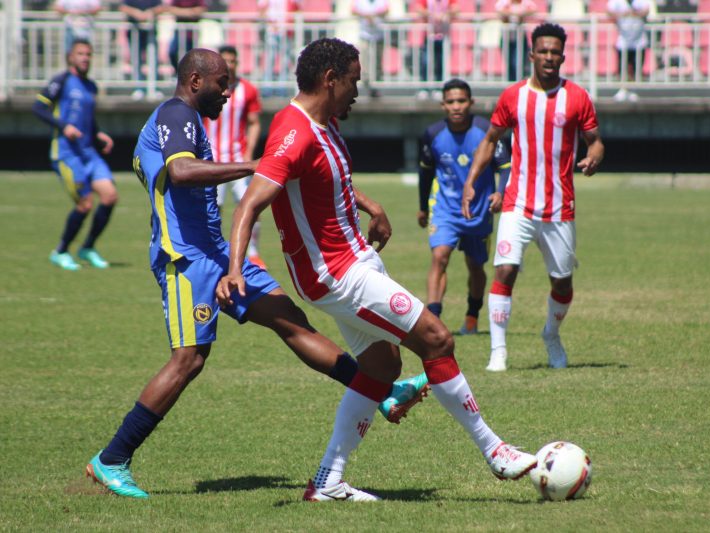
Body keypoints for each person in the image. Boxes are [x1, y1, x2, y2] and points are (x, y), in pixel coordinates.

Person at [84, 48, 429, 500]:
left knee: (290, 320)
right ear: (193, 81)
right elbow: (182, 172)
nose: (229, 92)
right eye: (221, 83)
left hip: (219, 253)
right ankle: (111, 460)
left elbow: (311, 174)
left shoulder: (186, 119)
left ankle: (381, 391)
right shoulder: (175, 114)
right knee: (189, 359)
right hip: (185, 259)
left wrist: (362, 201)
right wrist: (256, 166)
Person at [216, 37, 538, 502]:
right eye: (353, 82)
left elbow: (330, 179)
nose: (357, 92)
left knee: (383, 365)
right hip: (336, 274)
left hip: (353, 261)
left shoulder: (321, 124)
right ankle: (496, 451)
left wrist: (371, 205)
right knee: (437, 339)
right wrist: (234, 268)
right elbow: (251, 202)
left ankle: (328, 482)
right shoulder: (293, 131)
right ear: (331, 80)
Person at [462, 23, 605, 371]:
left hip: (559, 208)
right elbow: (491, 139)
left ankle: (551, 335)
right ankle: (498, 350)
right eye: (543, 51)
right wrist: (472, 180)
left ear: (563, 56)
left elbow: (595, 140)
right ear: (532, 55)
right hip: (517, 204)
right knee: (505, 270)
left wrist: (595, 157)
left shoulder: (578, 97)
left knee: (562, 282)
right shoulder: (513, 96)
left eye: (555, 52)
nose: (549, 57)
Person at [417, 78, 510, 335]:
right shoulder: (432, 135)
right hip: (444, 209)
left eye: (461, 101)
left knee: (475, 266)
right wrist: (423, 207)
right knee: (439, 257)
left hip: (479, 211)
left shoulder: (488, 131)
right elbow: (425, 174)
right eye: (450, 102)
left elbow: (505, 167)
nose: (456, 106)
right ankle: (434, 321)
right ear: (443, 105)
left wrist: (500, 193)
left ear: (471, 103)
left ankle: (472, 314)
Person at [33, 39, 117, 271]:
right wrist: (63, 126)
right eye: (80, 54)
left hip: (89, 152)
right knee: (85, 204)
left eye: (88, 54)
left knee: (110, 196)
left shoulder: (91, 86)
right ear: (71, 57)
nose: (85, 58)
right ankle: (60, 251)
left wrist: (99, 134)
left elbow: (88, 120)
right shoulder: (61, 81)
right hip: (66, 153)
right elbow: (38, 107)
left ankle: (87, 247)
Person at [202, 45, 266, 268]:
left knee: (251, 204)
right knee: (213, 207)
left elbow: (254, 123)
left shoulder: (248, 90)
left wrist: (249, 153)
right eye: (225, 61)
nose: (229, 65)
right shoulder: (209, 89)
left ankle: (254, 252)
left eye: (233, 61)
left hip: (239, 159)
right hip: (213, 160)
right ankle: (213, 249)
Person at [607, 0, 651, 102]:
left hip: (639, 41)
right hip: (623, 41)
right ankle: (623, 89)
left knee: (636, 68)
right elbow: (609, 12)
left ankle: (633, 90)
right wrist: (623, 14)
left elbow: (646, 10)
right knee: (622, 68)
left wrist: (635, 13)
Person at [411, 0, 456, 96]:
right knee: (425, 62)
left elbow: (456, 8)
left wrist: (445, 14)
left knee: (440, 63)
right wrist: (431, 14)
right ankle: (424, 87)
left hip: (443, 37)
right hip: (429, 36)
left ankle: (439, 88)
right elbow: (418, 8)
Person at [119, 0, 162, 96]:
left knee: (153, 60)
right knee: (136, 60)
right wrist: (136, 13)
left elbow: (161, 7)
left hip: (150, 32)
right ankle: (139, 88)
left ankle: (153, 87)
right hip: (134, 32)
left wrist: (150, 13)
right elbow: (123, 7)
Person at [352, 0, 390, 96]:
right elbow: (353, 10)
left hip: (378, 36)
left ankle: (375, 86)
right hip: (365, 35)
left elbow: (387, 10)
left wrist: (374, 15)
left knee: (377, 62)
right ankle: (367, 83)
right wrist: (366, 16)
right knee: (364, 62)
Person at [495, 0, 538, 82]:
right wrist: (515, 14)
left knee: (519, 63)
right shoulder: (504, 2)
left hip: (520, 37)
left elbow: (533, 10)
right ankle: (511, 82)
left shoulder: (525, 2)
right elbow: (500, 12)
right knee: (509, 63)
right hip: (506, 37)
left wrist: (521, 14)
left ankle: (519, 82)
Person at [162, 0, 207, 71]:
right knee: (172, 52)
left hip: (192, 34)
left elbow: (201, 9)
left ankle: (188, 76)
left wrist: (181, 12)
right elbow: (171, 9)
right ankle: (179, 74)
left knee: (191, 58)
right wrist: (188, 12)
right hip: (178, 32)